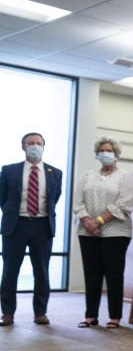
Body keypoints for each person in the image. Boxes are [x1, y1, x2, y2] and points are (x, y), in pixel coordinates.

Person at [0, 133, 63, 326]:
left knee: (42, 272)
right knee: (10, 271)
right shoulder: (9, 170)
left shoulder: (55, 172)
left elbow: (54, 198)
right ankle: (8, 313)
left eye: (38, 143)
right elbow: (2, 198)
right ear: (23, 147)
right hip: (15, 226)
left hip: (42, 226)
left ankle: (40, 313)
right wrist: (12, 214)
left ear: (44, 147)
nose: (35, 146)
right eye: (30, 143)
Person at [72, 136, 133, 329]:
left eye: (109, 150)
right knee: (91, 274)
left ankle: (115, 317)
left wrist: (98, 221)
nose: (105, 154)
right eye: (102, 151)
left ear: (116, 155)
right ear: (97, 154)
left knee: (113, 274)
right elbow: (77, 201)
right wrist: (87, 222)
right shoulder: (88, 175)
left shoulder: (124, 176)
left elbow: (124, 204)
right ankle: (90, 316)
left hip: (116, 233)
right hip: (87, 232)